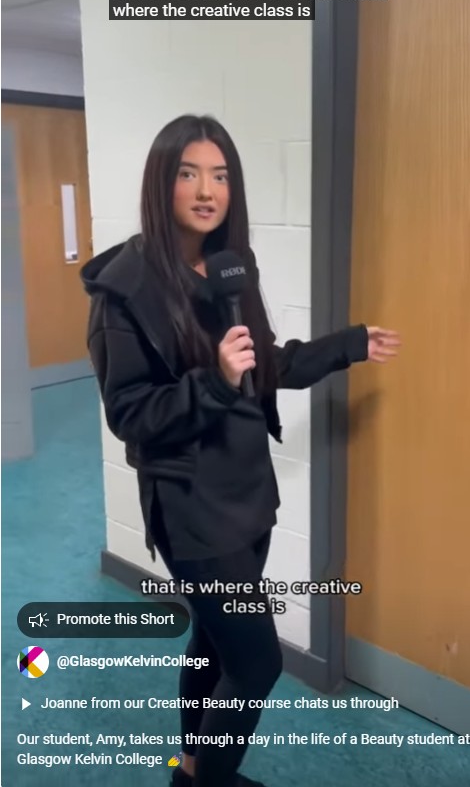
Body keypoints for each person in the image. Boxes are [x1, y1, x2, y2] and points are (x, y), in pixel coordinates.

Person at [80, 114, 400, 787]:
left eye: (220, 175)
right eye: (189, 173)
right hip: (193, 509)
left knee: (211, 640)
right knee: (257, 664)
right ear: (161, 184)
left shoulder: (229, 268)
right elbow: (131, 414)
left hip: (248, 497)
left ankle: (193, 768)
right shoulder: (128, 290)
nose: (207, 190)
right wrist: (214, 381)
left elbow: (261, 367)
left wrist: (348, 345)